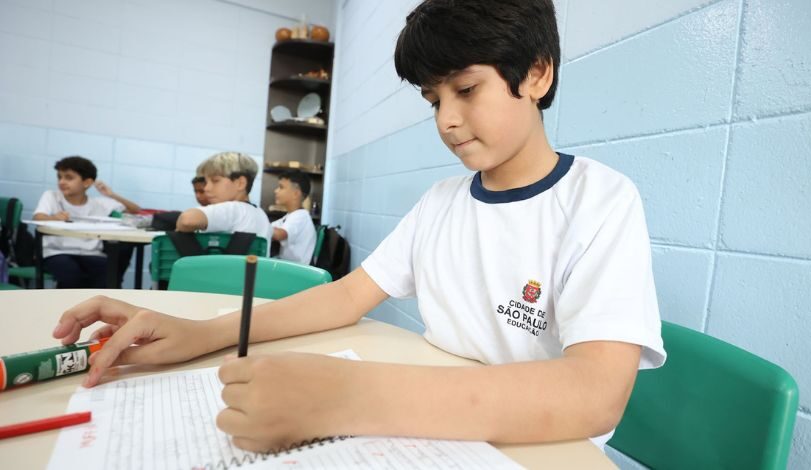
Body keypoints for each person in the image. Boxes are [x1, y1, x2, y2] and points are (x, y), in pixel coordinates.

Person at [52, 0, 665, 453]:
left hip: (535, 449)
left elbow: (593, 394)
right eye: (432, 100)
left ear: (536, 74)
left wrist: (345, 396)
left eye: (466, 89)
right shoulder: (442, 202)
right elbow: (348, 295)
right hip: (434, 434)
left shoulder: (599, 200)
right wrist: (201, 333)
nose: (447, 120)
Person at [33, 156, 141, 288]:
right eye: (59, 177)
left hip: (91, 253)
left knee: (110, 275)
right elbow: (38, 217)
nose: (62, 182)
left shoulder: (99, 203)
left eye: (69, 177)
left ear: (87, 182)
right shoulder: (51, 196)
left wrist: (111, 194)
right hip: (57, 252)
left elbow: (135, 210)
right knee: (71, 274)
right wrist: (54, 218)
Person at [175, 152, 272, 252]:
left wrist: (180, 227)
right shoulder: (259, 214)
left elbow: (187, 220)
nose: (206, 188)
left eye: (215, 181)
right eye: (206, 182)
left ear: (240, 183)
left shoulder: (235, 209)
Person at [271, 171, 316, 264]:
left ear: (296, 193)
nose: (276, 191)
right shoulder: (290, 216)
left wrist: (259, 226)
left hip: (298, 272)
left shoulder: (301, 216)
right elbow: (271, 227)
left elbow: (280, 234)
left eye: (281, 187)